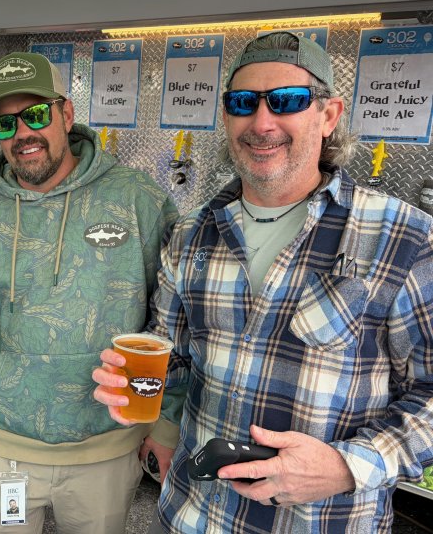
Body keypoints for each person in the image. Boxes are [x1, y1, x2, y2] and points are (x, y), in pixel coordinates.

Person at [93, 32, 433, 533]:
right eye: (243, 103)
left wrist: (348, 466)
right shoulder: (191, 234)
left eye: (288, 101)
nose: (262, 121)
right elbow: (176, 363)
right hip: (193, 515)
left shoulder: (402, 237)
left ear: (329, 115)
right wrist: (137, 389)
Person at [0, 51, 179, 534]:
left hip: (106, 446)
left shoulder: (138, 200)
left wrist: (166, 422)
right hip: (3, 448)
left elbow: (175, 319)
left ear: (66, 114)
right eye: (6, 124)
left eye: (35, 115)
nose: (23, 134)